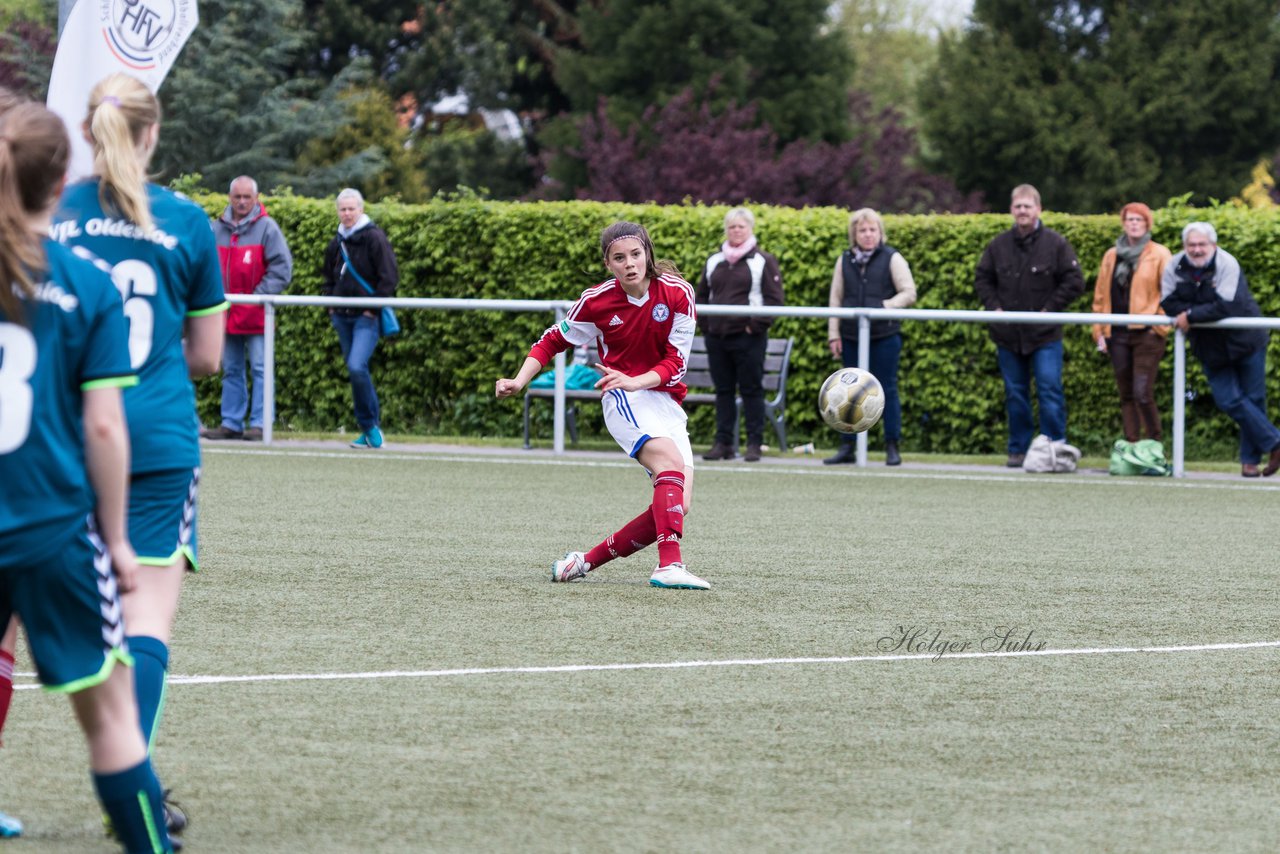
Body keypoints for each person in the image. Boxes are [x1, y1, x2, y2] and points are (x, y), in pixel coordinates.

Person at [53, 73, 227, 845]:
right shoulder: (188, 222)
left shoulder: (49, 213)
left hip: (57, 435)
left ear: (91, 132)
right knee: (146, 619)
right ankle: (135, 787)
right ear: (153, 134)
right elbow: (210, 356)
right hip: (155, 438)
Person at [0, 99, 176, 853]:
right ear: (62, 178)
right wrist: (117, 540)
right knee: (109, 721)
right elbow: (103, 426)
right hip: (51, 530)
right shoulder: (89, 283)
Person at [496, 221, 710, 590]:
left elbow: (676, 364)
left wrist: (638, 379)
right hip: (622, 397)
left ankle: (584, 561)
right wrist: (519, 379)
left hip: (664, 399)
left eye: (636, 254)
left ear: (648, 253)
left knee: (679, 505)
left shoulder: (678, 293)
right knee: (669, 465)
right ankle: (669, 566)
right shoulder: (596, 300)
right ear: (608, 264)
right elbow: (552, 340)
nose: (630, 263)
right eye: (619, 258)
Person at [974, 184, 1085, 467]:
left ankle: (1055, 449)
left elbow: (1074, 280)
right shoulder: (998, 245)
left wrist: (1049, 310)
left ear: (1039, 209)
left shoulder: (1056, 243)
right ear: (1012, 210)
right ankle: (1019, 450)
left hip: (1045, 334)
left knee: (1049, 390)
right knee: (1015, 394)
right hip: (1008, 335)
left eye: (1028, 206)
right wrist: (994, 307)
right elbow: (983, 279)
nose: (1022, 211)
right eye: (1018, 206)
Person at [1160, 222, 1280, 478]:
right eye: (1191, 244)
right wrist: (1196, 312)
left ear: (1213, 245)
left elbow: (1227, 307)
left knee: (1254, 399)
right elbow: (1168, 302)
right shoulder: (1175, 265)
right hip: (1210, 346)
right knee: (1228, 400)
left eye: (1202, 244)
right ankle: (1275, 443)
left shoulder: (1227, 263)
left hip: (1246, 341)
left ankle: (1250, 463)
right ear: (1184, 246)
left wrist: (1190, 314)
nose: (1196, 249)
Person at [201, 176, 293, 441]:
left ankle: (260, 424)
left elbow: (282, 270)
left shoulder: (268, 228)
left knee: (261, 369)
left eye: (246, 197)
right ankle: (231, 422)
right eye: (237, 197)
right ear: (230, 197)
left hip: (256, 312)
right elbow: (206, 266)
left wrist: (258, 296)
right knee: (230, 368)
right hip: (226, 312)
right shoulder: (215, 228)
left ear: (256, 198)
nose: (241, 202)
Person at [824, 208, 917, 466]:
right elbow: (836, 299)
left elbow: (909, 292)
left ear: (880, 232)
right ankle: (847, 447)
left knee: (887, 389)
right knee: (846, 393)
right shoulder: (844, 260)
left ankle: (891, 446)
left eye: (872, 229)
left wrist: (884, 307)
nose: (867, 234)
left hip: (884, 335)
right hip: (852, 336)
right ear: (854, 234)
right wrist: (834, 334)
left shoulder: (892, 258)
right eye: (862, 230)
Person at [695, 207, 784, 462]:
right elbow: (700, 297)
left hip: (749, 339)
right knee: (723, 391)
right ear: (726, 230)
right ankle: (723, 443)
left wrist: (753, 327)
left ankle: (754, 443)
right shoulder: (714, 261)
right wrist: (707, 327)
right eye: (732, 227)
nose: (736, 231)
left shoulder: (763, 261)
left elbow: (774, 301)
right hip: (717, 338)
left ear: (750, 229)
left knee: (751, 390)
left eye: (741, 226)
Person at [322, 188, 398, 449]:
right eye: (342, 209)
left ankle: (370, 426)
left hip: (367, 317)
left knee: (356, 366)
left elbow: (389, 276)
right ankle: (368, 428)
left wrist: (371, 308)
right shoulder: (337, 241)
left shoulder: (374, 237)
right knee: (356, 370)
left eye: (351, 209)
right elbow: (328, 277)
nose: (347, 213)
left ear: (361, 210)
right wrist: (331, 305)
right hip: (342, 317)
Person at [1091, 203, 1172, 444]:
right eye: (1130, 219)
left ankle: (1153, 444)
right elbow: (1101, 296)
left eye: (1139, 219)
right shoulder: (1111, 255)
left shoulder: (1159, 254)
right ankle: (1132, 445)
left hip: (1147, 333)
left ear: (1147, 223)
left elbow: (1169, 293)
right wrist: (1100, 331)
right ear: (1123, 223)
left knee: (1142, 392)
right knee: (1126, 394)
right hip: (1117, 333)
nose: (1134, 223)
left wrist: (1158, 324)